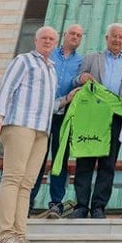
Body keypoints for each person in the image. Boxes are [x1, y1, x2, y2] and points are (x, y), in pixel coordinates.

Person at [0, 26, 77, 243]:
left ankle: (19, 233)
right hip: (20, 126)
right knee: (12, 179)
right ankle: (5, 235)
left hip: (41, 131)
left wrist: (67, 98)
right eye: (44, 38)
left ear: (56, 43)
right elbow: (6, 88)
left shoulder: (51, 68)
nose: (48, 41)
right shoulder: (24, 60)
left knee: (26, 184)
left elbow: (50, 105)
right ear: (36, 40)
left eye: (51, 39)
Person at [71, 22, 122, 219]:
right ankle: (81, 206)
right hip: (92, 117)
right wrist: (82, 77)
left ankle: (99, 207)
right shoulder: (92, 58)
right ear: (106, 38)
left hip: (115, 119)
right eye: (114, 36)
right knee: (85, 161)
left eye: (120, 37)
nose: (117, 40)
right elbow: (76, 79)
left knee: (108, 164)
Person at [30, 24, 83, 219]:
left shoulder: (81, 61)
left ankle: (56, 203)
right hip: (43, 113)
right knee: (37, 157)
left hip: (66, 114)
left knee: (60, 159)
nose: (75, 37)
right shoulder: (49, 54)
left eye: (79, 35)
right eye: (72, 34)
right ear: (65, 35)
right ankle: (28, 200)